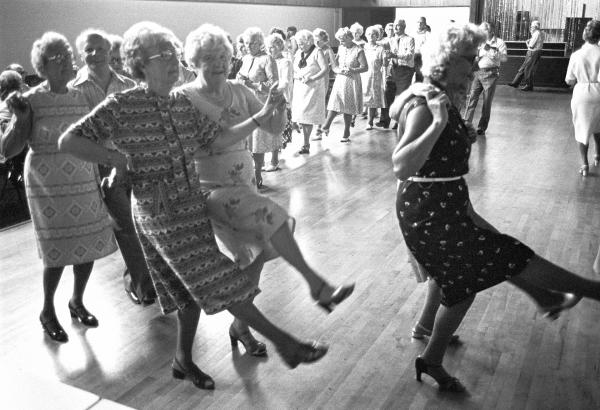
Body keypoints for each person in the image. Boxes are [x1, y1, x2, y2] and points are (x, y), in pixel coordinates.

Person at [58, 21, 336, 389]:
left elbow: (219, 139)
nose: (174, 62)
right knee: (215, 277)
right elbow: (69, 141)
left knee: (186, 294)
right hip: (158, 213)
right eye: (163, 56)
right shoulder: (123, 105)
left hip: (189, 205)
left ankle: (182, 359)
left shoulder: (180, 105)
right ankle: (286, 344)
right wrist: (119, 160)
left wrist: (258, 116)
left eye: (175, 53)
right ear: (139, 63)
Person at [391, 23, 600, 393]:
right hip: (429, 210)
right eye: (468, 61)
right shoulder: (426, 104)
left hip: (447, 201)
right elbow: (401, 165)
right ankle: (586, 290)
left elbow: (439, 164)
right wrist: (439, 124)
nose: (474, 68)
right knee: (481, 270)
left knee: (484, 257)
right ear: (447, 61)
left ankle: (430, 339)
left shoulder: (439, 94)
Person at [179, 22, 354, 356]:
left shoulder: (240, 90)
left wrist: (278, 105)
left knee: (253, 254)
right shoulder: (184, 98)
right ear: (193, 62)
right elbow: (212, 143)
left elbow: (274, 126)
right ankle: (317, 285)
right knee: (269, 215)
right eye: (208, 58)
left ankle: (241, 327)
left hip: (242, 183)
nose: (217, 63)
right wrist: (261, 116)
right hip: (208, 189)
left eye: (222, 56)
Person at [0, 32, 118, 343]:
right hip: (47, 182)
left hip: (82, 176)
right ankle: (47, 310)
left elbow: (96, 134)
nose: (67, 61)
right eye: (57, 58)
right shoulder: (31, 100)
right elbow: (7, 149)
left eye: (67, 55)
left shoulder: (81, 96)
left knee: (87, 241)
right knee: (57, 249)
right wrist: (21, 119)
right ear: (42, 66)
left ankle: (77, 300)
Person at [70, 28, 155, 306]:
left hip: (135, 161)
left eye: (99, 48)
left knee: (145, 223)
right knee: (126, 226)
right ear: (81, 54)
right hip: (103, 167)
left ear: (109, 51)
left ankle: (141, 276)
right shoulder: (75, 90)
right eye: (88, 49)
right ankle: (142, 285)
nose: (94, 54)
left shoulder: (128, 84)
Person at [237, 27, 278, 188]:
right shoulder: (246, 58)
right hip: (243, 104)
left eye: (251, 43)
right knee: (244, 142)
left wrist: (253, 84)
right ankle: (246, 174)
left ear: (260, 43)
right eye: (246, 43)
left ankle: (257, 173)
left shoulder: (267, 59)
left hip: (260, 105)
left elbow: (274, 84)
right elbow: (241, 77)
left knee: (256, 142)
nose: (248, 46)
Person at [565, 19, 600, 177]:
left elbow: (569, 80)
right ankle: (598, 156)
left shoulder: (576, 55)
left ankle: (585, 164)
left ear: (585, 34)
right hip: (598, 91)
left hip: (581, 93)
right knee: (598, 126)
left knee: (582, 128)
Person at [320, 27, 367, 143]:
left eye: (342, 40)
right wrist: (338, 70)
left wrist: (352, 70)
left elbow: (365, 67)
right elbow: (335, 65)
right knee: (335, 102)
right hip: (340, 79)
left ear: (350, 38)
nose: (340, 43)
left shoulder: (358, 50)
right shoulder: (341, 48)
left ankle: (346, 130)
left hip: (352, 80)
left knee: (348, 106)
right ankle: (326, 125)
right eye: (339, 40)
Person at [462, 22, 507, 136]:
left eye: (483, 31)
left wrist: (489, 49)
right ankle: (466, 124)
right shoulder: (478, 42)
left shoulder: (499, 42)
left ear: (490, 31)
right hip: (478, 72)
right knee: (472, 98)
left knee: (487, 102)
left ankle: (481, 127)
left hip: (491, 74)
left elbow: (504, 58)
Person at [290, 29, 328, 154]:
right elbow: (294, 69)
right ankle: (305, 141)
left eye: (301, 43)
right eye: (299, 43)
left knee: (308, 116)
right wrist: (298, 76)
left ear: (309, 42)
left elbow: (324, 69)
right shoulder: (299, 53)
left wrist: (312, 77)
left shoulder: (317, 51)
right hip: (300, 87)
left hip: (313, 88)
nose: (300, 46)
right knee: (301, 114)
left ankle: (306, 143)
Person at [265, 32, 293, 167]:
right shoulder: (267, 60)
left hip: (279, 98)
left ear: (280, 47)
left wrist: (275, 92)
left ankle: (274, 160)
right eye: (269, 47)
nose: (270, 50)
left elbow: (285, 81)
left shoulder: (285, 61)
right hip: (266, 98)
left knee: (275, 129)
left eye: (273, 47)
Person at [312, 28, 336, 140]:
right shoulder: (312, 50)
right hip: (312, 79)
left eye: (319, 40)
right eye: (315, 40)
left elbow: (334, 65)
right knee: (313, 103)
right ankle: (313, 126)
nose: (317, 42)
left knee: (321, 103)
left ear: (325, 40)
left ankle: (319, 130)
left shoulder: (328, 50)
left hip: (323, 79)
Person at [508, 20, 544, 91]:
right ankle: (515, 82)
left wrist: (526, 43)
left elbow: (531, 46)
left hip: (533, 53)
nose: (530, 28)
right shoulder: (539, 33)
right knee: (523, 68)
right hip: (533, 53)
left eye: (532, 26)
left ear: (535, 27)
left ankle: (529, 85)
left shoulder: (537, 33)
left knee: (528, 69)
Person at [362, 25, 386, 130]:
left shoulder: (380, 48)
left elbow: (384, 64)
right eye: (369, 34)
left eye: (374, 34)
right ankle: (352, 119)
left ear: (377, 36)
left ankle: (370, 121)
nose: (371, 36)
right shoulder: (362, 47)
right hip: (362, 75)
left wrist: (387, 57)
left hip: (374, 76)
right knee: (360, 97)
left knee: (372, 99)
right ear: (366, 36)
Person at [413, 17, 430, 83]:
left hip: (421, 58)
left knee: (419, 78)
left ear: (425, 24)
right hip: (411, 57)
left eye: (421, 22)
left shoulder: (428, 34)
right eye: (418, 22)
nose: (419, 24)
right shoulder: (413, 33)